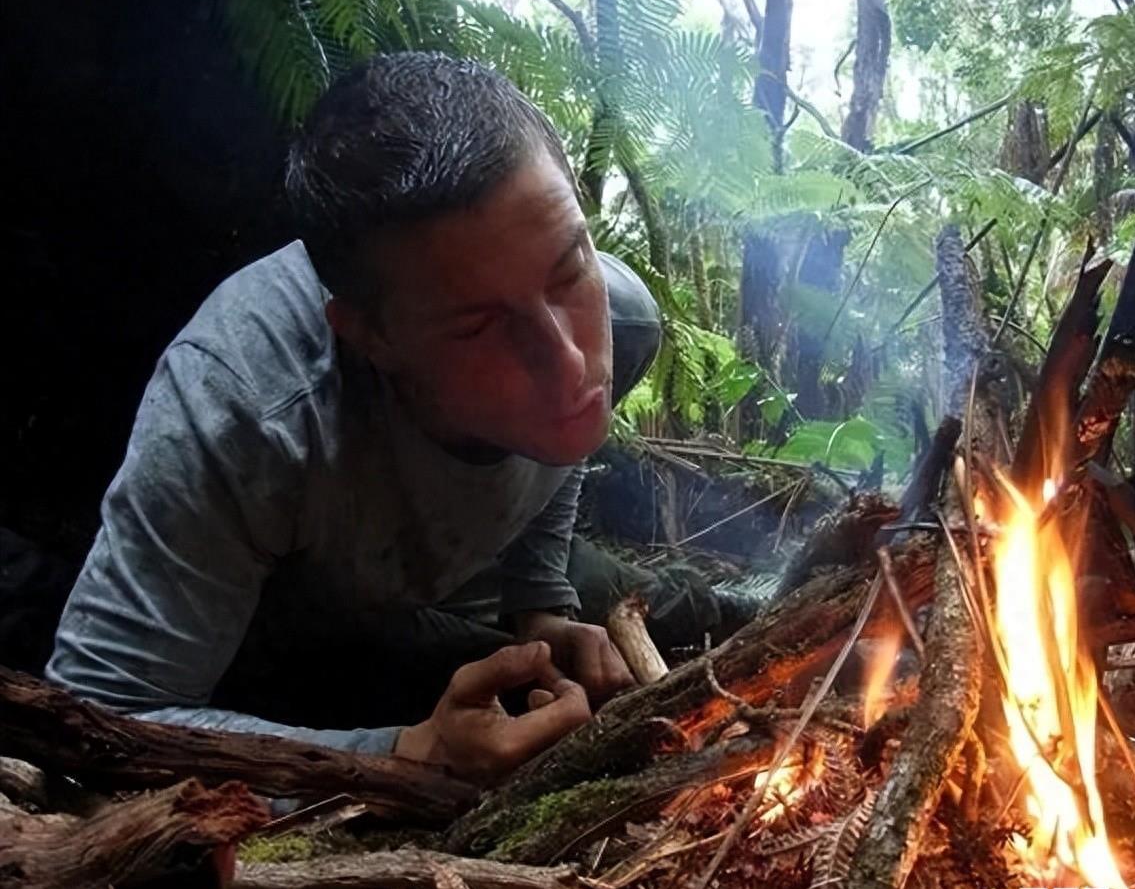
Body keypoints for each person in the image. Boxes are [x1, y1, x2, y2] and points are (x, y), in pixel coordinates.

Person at [45, 53, 727, 786]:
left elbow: (562, 442)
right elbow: (100, 714)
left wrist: (539, 604)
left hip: (463, 561)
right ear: (370, 336)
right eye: (478, 328)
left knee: (672, 604)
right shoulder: (247, 413)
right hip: (289, 610)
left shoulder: (622, 323)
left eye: (568, 271)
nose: (567, 365)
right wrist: (405, 752)